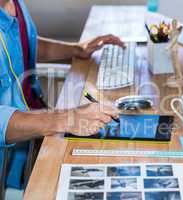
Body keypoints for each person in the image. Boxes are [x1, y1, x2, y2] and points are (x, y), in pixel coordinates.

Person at [0, 0, 125, 189]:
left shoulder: (13, 4)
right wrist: (65, 119)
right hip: (13, 152)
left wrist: (76, 50)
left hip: (38, 125)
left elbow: (24, 42)